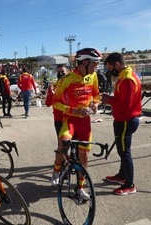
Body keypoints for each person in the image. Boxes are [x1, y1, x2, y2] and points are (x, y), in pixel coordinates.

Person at [51, 48, 102, 200]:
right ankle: (56, 169)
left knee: (84, 155)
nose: (97, 67)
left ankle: (80, 187)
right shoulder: (66, 79)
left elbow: (96, 94)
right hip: (70, 120)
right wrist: (73, 110)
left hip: (85, 121)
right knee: (63, 143)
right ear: (84, 62)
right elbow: (55, 103)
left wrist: (95, 104)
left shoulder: (93, 76)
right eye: (95, 63)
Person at [102, 52, 142, 195]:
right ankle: (122, 176)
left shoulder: (127, 79)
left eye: (109, 67)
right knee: (123, 150)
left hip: (126, 120)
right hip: (123, 119)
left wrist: (109, 100)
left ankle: (129, 184)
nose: (109, 71)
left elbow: (126, 104)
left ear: (116, 64)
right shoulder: (125, 76)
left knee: (124, 152)